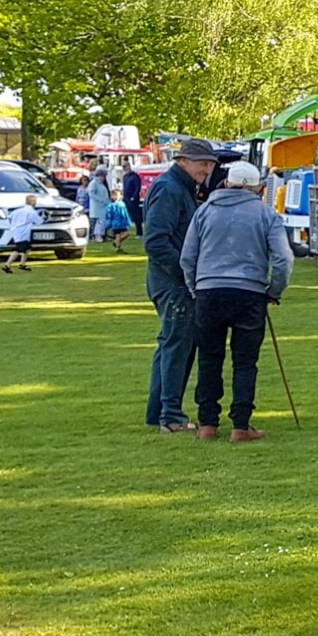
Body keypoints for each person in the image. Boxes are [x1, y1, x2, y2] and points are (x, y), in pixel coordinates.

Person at [181, 161, 292, 443]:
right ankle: (241, 425)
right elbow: (283, 259)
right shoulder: (266, 214)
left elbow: (187, 258)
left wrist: (196, 289)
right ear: (258, 188)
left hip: (209, 291)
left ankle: (208, 424)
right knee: (245, 361)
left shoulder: (204, 211)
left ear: (227, 183)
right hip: (250, 293)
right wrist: (273, 291)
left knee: (209, 359)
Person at [144, 138, 221, 433]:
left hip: (170, 280)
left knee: (171, 346)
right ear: (183, 161)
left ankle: (159, 412)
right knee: (178, 346)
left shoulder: (181, 188)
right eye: (202, 163)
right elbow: (156, 241)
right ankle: (171, 417)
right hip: (173, 283)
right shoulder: (170, 189)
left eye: (210, 164)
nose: (207, 169)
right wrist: (186, 273)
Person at [1, 194, 40, 273]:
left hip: (17, 231)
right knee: (18, 249)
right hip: (23, 233)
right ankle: (7, 265)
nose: (35, 203)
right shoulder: (31, 212)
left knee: (27, 248)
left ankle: (22, 263)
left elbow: (9, 217)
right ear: (32, 202)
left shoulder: (17, 211)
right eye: (35, 201)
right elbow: (39, 221)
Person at [86, 164, 112, 242]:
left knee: (102, 222)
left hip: (103, 207)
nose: (103, 178)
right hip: (97, 207)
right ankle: (97, 236)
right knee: (99, 223)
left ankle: (101, 235)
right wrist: (101, 200)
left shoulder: (100, 184)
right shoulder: (94, 183)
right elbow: (91, 194)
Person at [123, 165, 145, 237]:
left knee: (136, 215)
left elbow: (137, 187)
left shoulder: (135, 177)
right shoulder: (125, 177)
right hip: (126, 198)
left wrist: (134, 197)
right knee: (125, 215)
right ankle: (123, 232)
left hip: (133, 199)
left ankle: (139, 232)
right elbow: (124, 187)